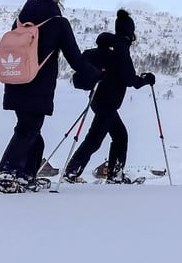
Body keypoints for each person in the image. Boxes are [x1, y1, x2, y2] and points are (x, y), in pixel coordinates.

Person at [0, 0, 91, 193]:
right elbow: (75, 58)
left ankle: (27, 174)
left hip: (15, 80)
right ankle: (6, 174)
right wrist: (95, 74)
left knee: (30, 130)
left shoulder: (21, 20)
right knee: (28, 130)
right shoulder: (58, 23)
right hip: (38, 85)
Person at [62, 9, 155, 184]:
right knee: (96, 139)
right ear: (130, 32)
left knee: (119, 135)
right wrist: (146, 79)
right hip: (108, 102)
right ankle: (73, 171)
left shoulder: (104, 48)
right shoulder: (121, 50)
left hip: (97, 99)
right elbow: (130, 80)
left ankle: (112, 174)